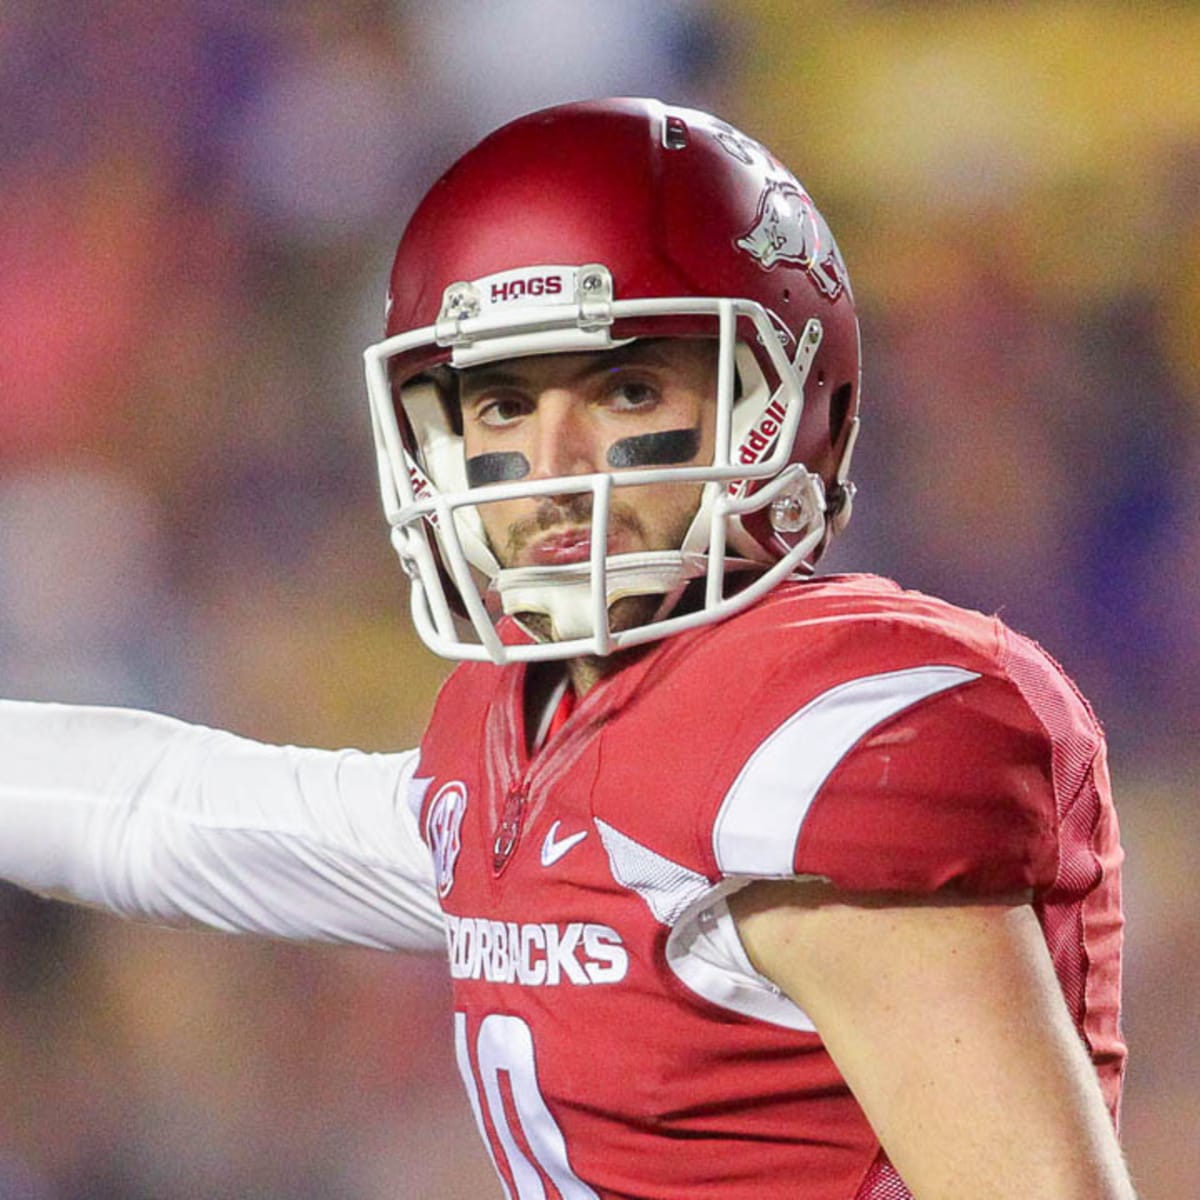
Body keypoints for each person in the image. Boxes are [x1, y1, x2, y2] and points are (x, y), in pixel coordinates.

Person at [0, 98, 1135, 1199]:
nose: (554, 463)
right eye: (499, 407)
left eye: (625, 388)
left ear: (776, 407)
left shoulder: (817, 745)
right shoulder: (522, 738)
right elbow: (170, 815)